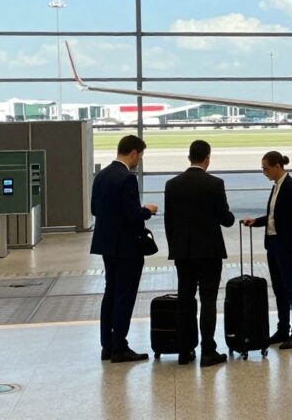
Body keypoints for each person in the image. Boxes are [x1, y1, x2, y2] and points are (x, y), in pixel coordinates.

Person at [163, 140, 235, 367]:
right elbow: (225, 219)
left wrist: (175, 247)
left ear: (189, 157)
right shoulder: (214, 183)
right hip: (209, 252)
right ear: (207, 158)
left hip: (182, 252)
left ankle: (184, 351)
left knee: (185, 299)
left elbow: (169, 222)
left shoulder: (172, 184)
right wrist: (229, 217)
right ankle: (208, 351)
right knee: (208, 300)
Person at [90, 135, 158, 363]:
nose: (139, 160)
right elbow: (133, 216)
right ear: (134, 153)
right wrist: (147, 210)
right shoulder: (127, 179)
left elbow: (94, 209)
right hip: (127, 247)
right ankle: (120, 345)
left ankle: (107, 346)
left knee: (110, 293)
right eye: (140, 156)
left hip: (106, 245)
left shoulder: (101, 176)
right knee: (124, 296)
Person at [241, 151, 292, 350]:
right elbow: (273, 216)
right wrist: (256, 222)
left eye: (266, 168)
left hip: (286, 246)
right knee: (280, 290)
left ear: (278, 166)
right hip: (273, 244)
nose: (264, 172)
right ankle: (282, 330)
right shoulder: (277, 186)